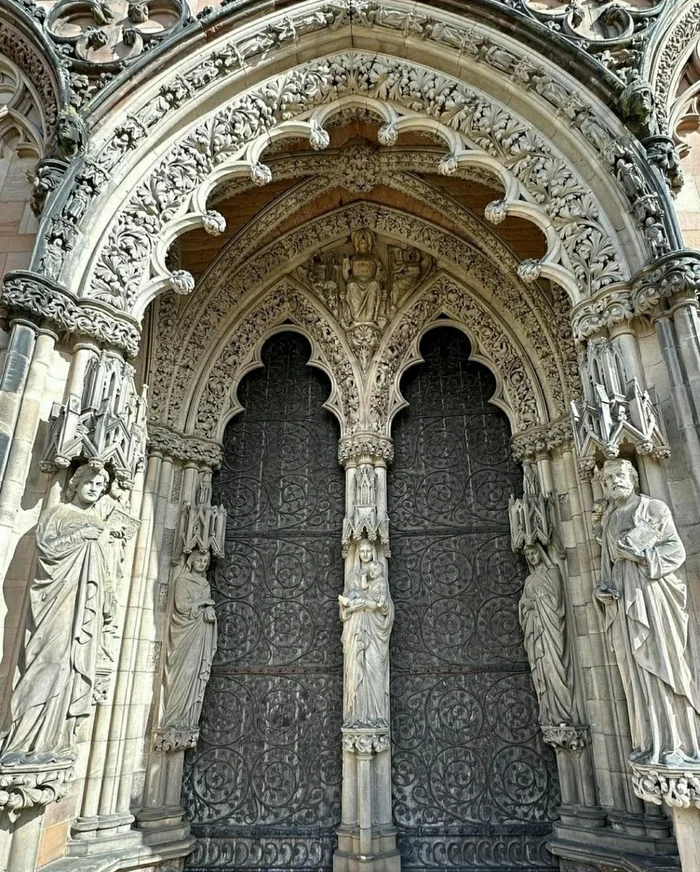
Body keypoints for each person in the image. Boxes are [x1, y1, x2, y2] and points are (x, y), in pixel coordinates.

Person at [1, 464, 112, 764]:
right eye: (90, 481)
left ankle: (54, 740)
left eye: (100, 485)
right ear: (75, 483)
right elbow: (47, 548)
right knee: (46, 663)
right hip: (55, 602)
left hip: (83, 607)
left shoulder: (99, 524)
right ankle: (22, 739)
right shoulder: (56, 514)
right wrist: (83, 535)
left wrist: (109, 599)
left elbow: (103, 570)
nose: (95, 488)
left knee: (68, 666)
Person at [594, 459, 700, 765]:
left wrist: (641, 555)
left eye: (619, 475)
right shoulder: (611, 520)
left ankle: (680, 744)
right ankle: (652, 740)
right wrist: (604, 591)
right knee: (638, 672)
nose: (614, 481)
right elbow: (606, 570)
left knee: (661, 658)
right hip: (626, 599)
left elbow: (676, 551)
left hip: (653, 596)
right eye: (608, 478)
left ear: (633, 478)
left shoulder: (653, 509)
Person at [161, 549, 217, 733]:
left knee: (194, 671)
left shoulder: (205, 584)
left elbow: (207, 609)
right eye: (199, 560)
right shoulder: (182, 581)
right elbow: (181, 606)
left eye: (205, 561)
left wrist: (209, 614)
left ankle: (186, 719)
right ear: (191, 561)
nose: (202, 563)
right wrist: (203, 604)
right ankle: (172, 720)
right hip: (183, 632)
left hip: (200, 634)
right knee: (182, 672)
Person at [339, 540, 393, 728]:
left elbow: (386, 607)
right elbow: (344, 608)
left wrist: (376, 605)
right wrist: (350, 608)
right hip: (355, 629)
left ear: (373, 551)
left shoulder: (379, 577)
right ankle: (355, 717)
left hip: (374, 629)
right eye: (361, 550)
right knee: (355, 669)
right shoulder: (353, 576)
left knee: (373, 669)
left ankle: (376, 717)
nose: (364, 553)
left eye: (368, 549)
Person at [519, 546, 573, 725]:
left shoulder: (553, 573)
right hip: (536, 632)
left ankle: (565, 714)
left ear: (541, 553)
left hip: (551, 631)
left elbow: (557, 603)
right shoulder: (529, 580)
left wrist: (537, 604)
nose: (532, 557)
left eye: (534, 553)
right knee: (543, 667)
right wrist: (525, 605)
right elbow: (524, 607)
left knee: (555, 665)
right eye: (528, 555)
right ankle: (550, 711)